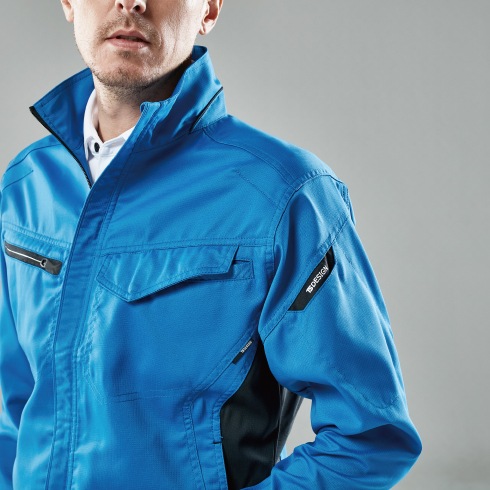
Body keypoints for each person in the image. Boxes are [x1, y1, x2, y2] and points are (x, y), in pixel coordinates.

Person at [0, 0, 422, 488]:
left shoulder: (283, 195)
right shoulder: (26, 184)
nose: (131, 2)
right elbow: (12, 410)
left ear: (210, 9)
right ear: (69, 3)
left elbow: (369, 438)